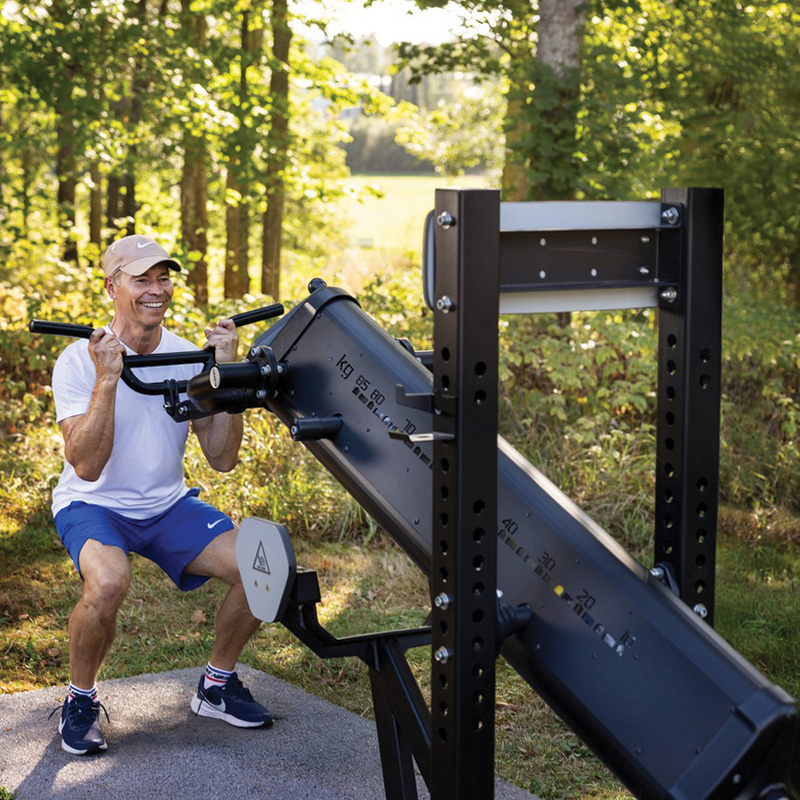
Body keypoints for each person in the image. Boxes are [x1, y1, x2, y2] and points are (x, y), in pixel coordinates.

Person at [49, 234, 271, 756]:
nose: (156, 289)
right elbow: (86, 465)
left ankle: (216, 686)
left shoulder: (184, 356)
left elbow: (222, 458)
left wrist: (227, 378)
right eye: (141, 279)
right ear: (112, 288)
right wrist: (108, 380)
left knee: (264, 566)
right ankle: (80, 699)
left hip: (168, 504)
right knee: (108, 582)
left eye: (163, 278)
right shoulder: (78, 360)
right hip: (94, 504)